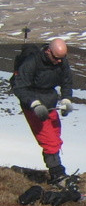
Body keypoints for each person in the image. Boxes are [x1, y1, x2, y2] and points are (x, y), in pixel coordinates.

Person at [12, 37, 74, 184]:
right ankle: (57, 175)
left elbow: (67, 81)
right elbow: (20, 87)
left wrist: (66, 99)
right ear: (48, 51)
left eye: (62, 58)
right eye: (57, 58)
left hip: (50, 102)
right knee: (49, 141)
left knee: (56, 137)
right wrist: (34, 104)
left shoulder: (61, 61)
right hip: (33, 105)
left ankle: (56, 172)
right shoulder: (31, 63)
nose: (59, 61)